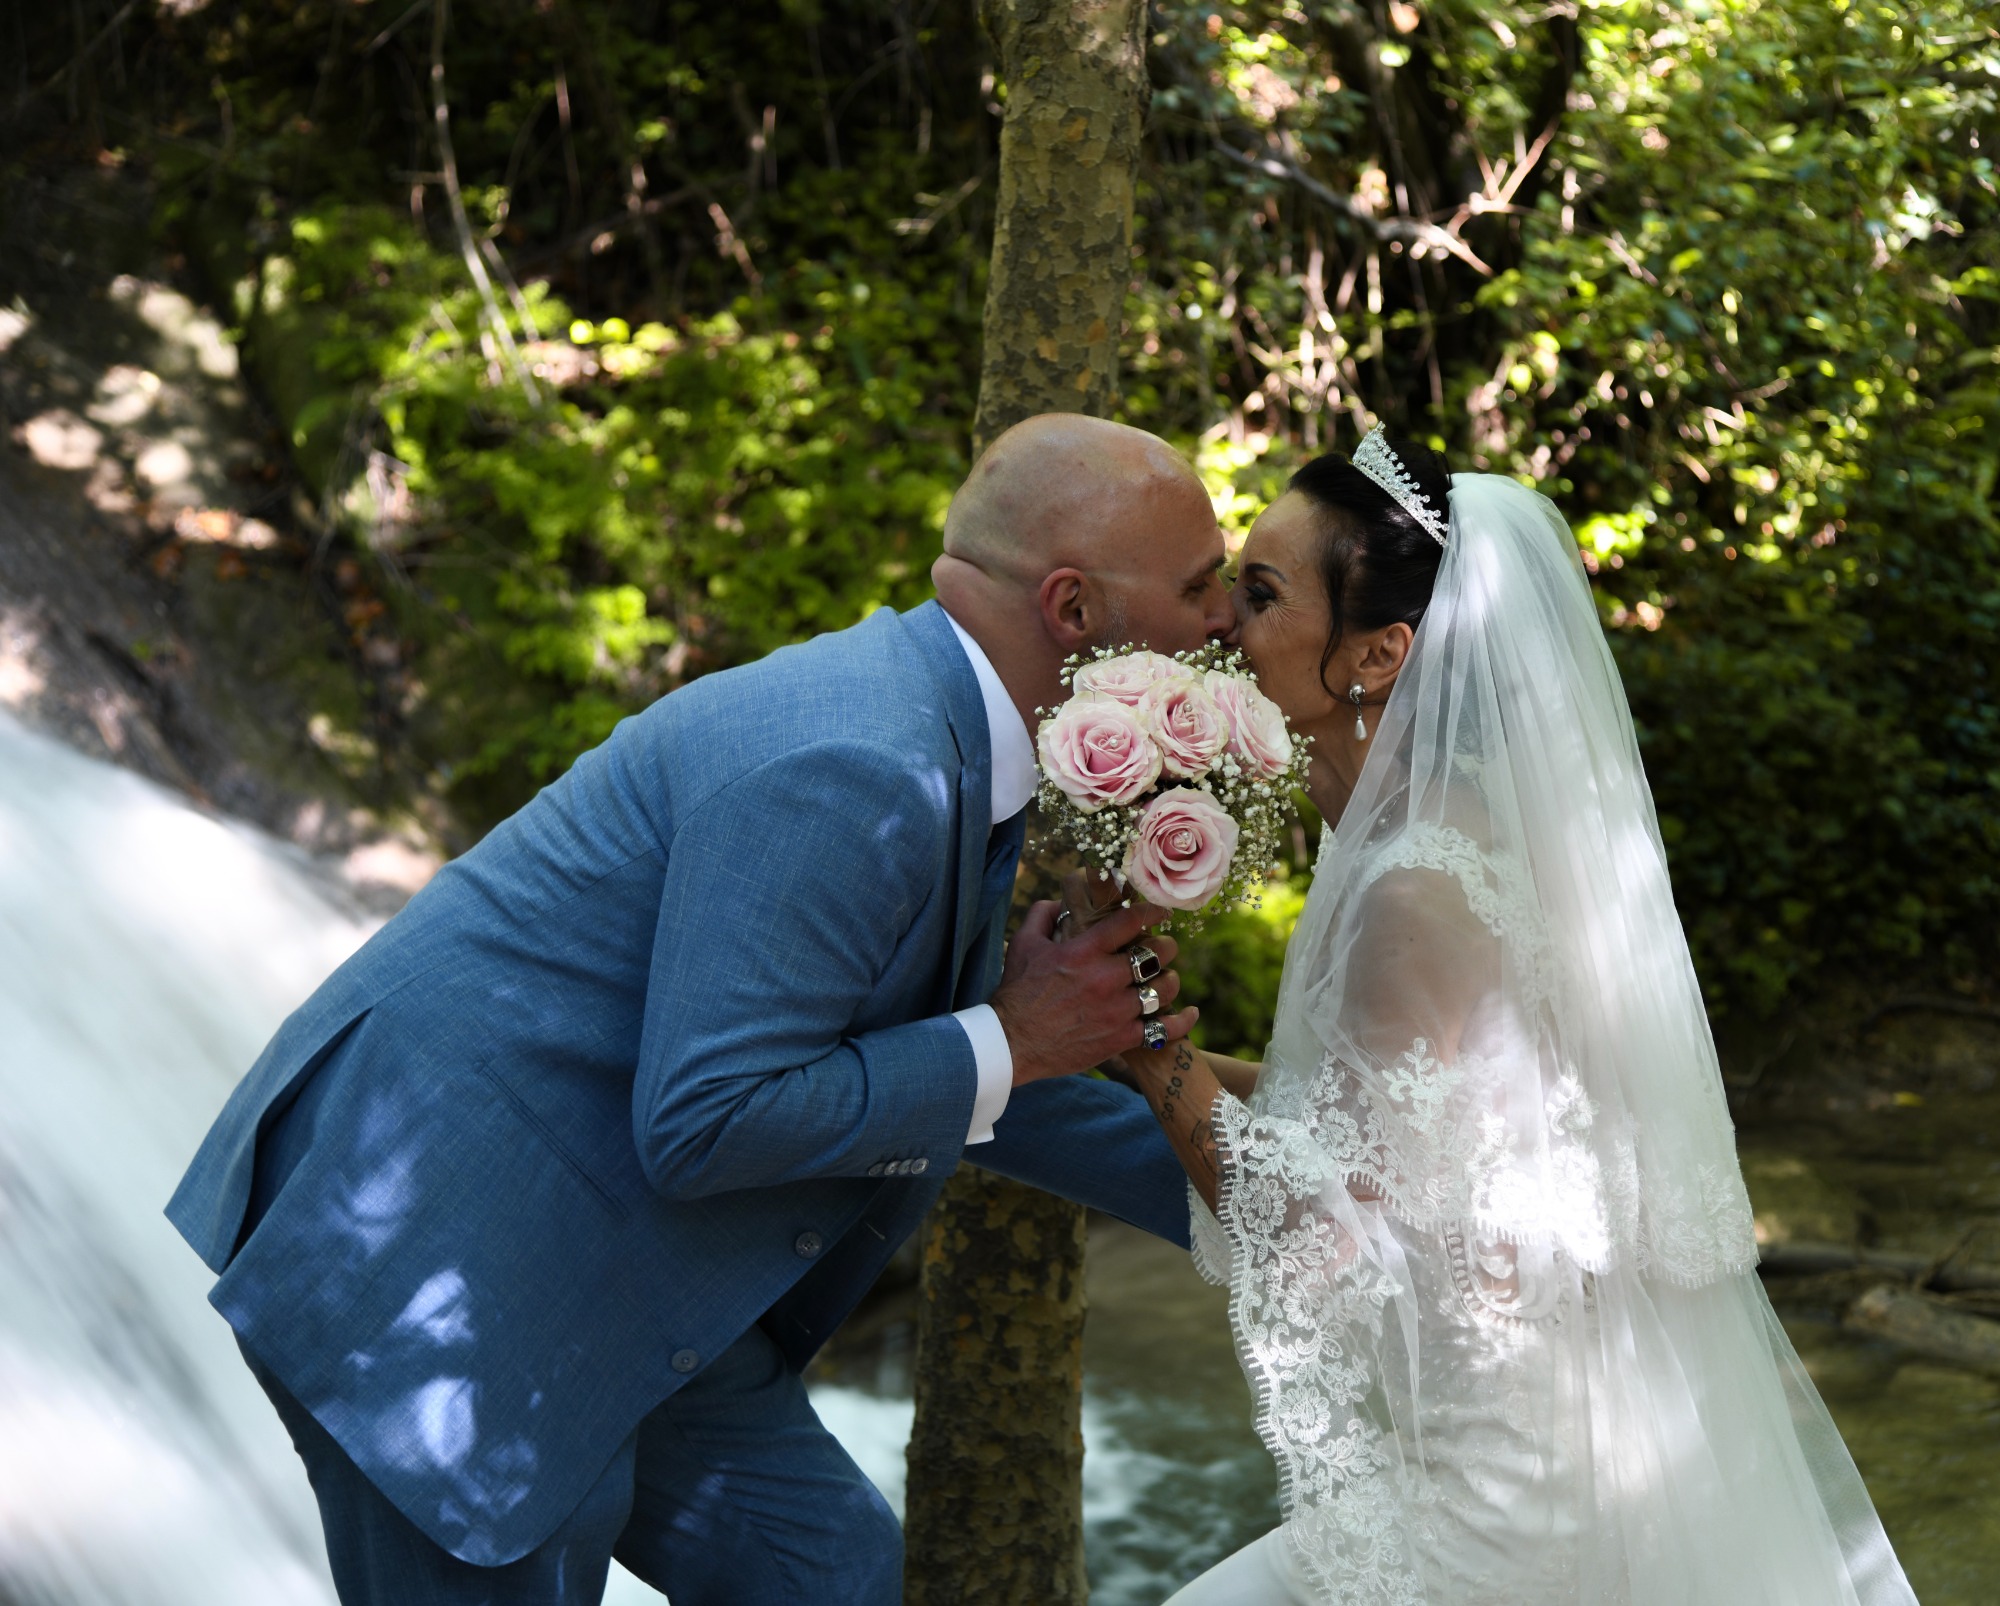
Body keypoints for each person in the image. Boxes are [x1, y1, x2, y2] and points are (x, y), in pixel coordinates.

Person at [165, 413, 1230, 1605]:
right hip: (449, 1255)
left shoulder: (950, 737)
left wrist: (1266, 1195)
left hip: (619, 1247)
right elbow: (712, 1116)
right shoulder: (862, 764)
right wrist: (1019, 1036)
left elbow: (944, 1067)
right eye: (1199, 585)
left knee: (840, 1585)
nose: (1224, 618)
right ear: (1072, 609)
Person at [1113, 430, 1919, 1605]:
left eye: (1262, 591)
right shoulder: (1447, 831)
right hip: (1560, 1447)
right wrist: (1132, 1048)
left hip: (1488, 1505)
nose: (1224, 621)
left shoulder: (1408, 892)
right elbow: (1361, 1117)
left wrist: (1146, 1041)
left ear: (1376, 654)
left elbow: (1312, 1232)